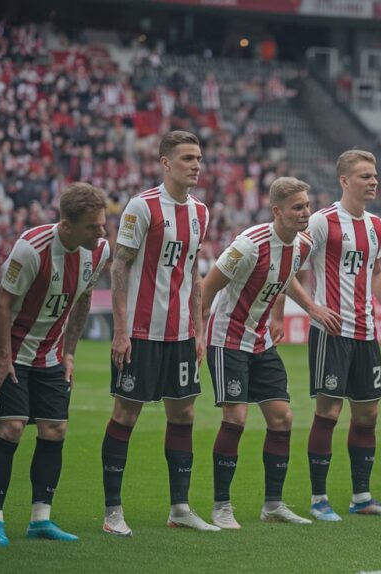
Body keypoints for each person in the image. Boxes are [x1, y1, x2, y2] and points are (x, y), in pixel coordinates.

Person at [101, 131, 217, 536]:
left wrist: (199, 331)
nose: (196, 165)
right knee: (126, 414)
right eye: (187, 157)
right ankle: (113, 511)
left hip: (182, 334)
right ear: (165, 162)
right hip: (140, 331)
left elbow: (195, 273)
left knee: (183, 413)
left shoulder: (201, 212)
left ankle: (180, 507)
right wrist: (120, 330)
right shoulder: (142, 206)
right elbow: (119, 266)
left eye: (198, 157)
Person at [0, 183, 110, 546]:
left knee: (55, 430)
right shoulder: (31, 248)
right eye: (93, 226)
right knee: (11, 429)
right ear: (66, 226)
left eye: (103, 224)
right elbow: (3, 304)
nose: (101, 232)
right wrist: (3, 357)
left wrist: (69, 354)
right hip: (12, 351)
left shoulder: (97, 251)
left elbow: (83, 299)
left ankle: (41, 519)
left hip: (51, 353)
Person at [283, 150, 381, 521]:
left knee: (368, 415)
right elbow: (287, 268)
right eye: (366, 176)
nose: (373, 182)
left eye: (375, 176)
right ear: (345, 181)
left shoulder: (376, 226)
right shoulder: (321, 222)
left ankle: (362, 497)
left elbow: (378, 272)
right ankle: (319, 499)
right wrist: (313, 309)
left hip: (366, 333)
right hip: (331, 332)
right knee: (329, 411)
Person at [202, 177, 316, 529]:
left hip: (260, 340)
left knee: (282, 418)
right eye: (297, 207)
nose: (305, 213)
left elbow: (283, 278)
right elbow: (208, 287)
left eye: (307, 205)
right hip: (227, 338)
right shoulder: (248, 244)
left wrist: (280, 316)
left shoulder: (302, 246)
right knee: (235, 418)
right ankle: (221, 506)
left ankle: (273, 504)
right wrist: (193, 335)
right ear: (277, 211)